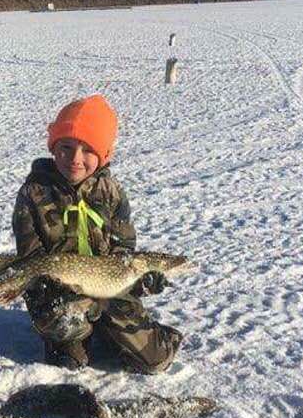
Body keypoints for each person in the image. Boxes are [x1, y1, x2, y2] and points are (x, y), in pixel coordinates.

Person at [11, 94, 182, 372]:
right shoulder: (34, 192)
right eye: (66, 147)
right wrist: (45, 284)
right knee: (68, 362)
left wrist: (142, 283)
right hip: (57, 296)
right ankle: (71, 340)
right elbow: (30, 255)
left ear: (105, 154)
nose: (75, 159)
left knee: (155, 361)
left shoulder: (112, 194)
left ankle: (118, 331)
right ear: (53, 147)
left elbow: (122, 253)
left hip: (108, 290)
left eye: (88, 150)